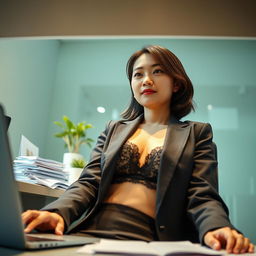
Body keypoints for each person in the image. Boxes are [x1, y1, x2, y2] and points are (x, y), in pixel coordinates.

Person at [22, 45, 254, 254]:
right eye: (138, 74)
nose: (146, 80)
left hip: (151, 240)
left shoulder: (197, 133)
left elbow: (202, 195)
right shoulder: (113, 129)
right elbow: (88, 183)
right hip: (88, 236)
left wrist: (217, 227)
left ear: (176, 83)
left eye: (157, 71)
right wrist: (56, 212)